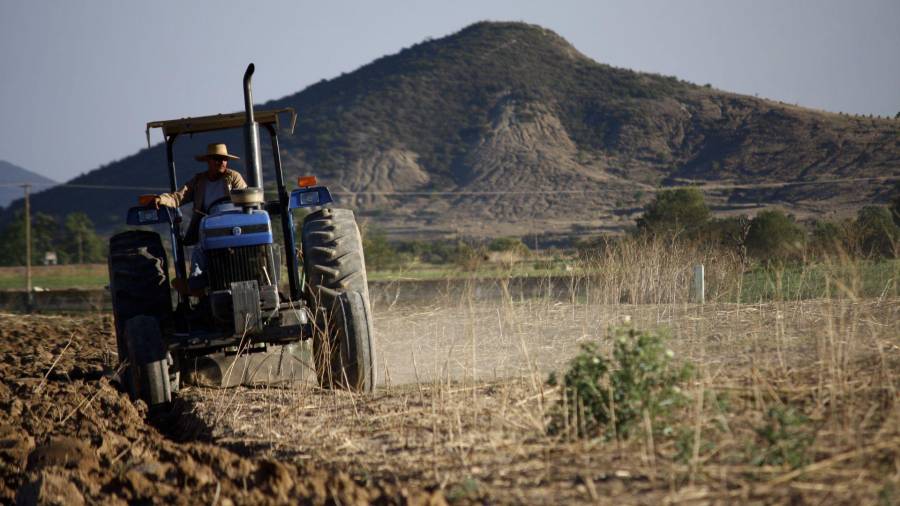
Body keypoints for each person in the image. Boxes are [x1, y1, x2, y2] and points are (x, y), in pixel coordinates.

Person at [153, 143, 248, 296]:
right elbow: (178, 197)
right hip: (208, 229)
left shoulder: (233, 177)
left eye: (224, 159)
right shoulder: (199, 181)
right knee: (200, 250)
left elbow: (245, 198)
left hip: (232, 228)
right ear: (208, 161)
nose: (221, 162)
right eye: (217, 159)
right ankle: (196, 285)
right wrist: (161, 199)